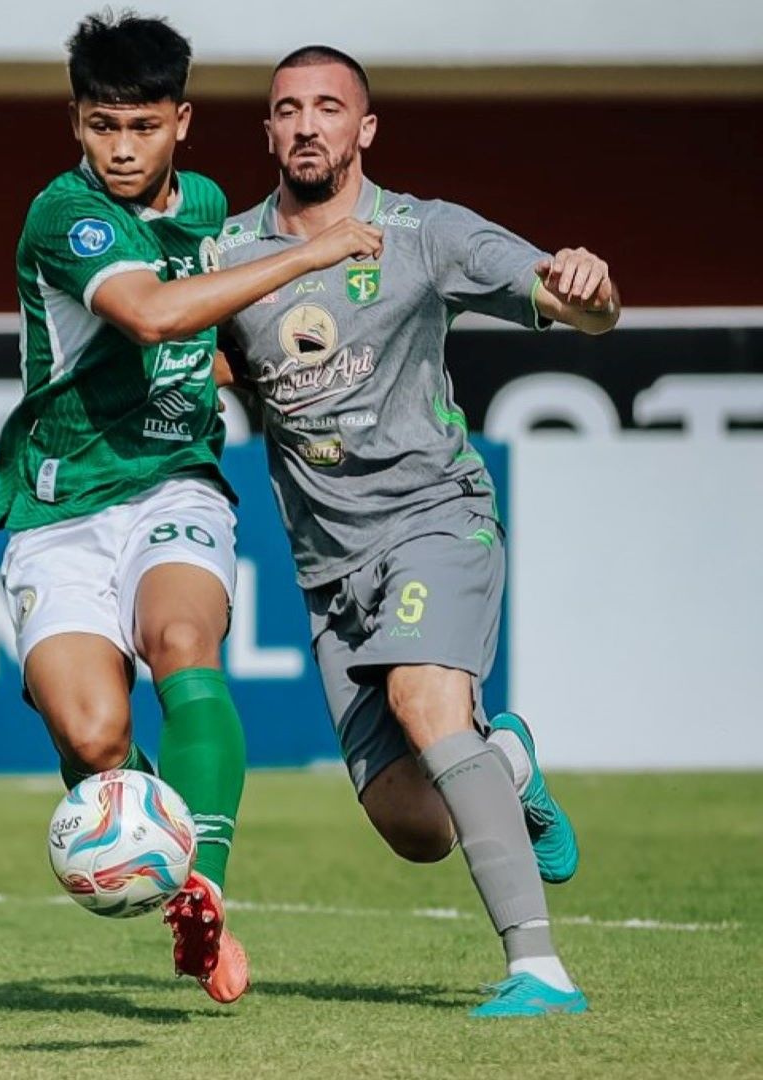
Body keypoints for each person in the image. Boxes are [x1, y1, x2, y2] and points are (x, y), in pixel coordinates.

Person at [216, 46, 618, 1017]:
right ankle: (509, 761)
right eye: (287, 109)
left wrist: (590, 291)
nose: (307, 125)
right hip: (331, 570)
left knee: (426, 699)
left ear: (366, 130)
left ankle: (540, 970)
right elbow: (207, 363)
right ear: (267, 131)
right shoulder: (225, 254)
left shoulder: (425, 233)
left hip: (435, 519)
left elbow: (582, 310)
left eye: (328, 108)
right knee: (416, 827)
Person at [0, 10, 383, 1003]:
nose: (119, 149)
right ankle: (158, 834)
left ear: (183, 121)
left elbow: (206, 338)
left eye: (141, 127)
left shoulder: (210, 205)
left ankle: (197, 892)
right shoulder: (66, 215)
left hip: (176, 483)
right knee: (93, 742)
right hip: (60, 507)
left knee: (180, 645)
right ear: (75, 124)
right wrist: (311, 252)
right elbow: (151, 312)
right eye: (99, 126)